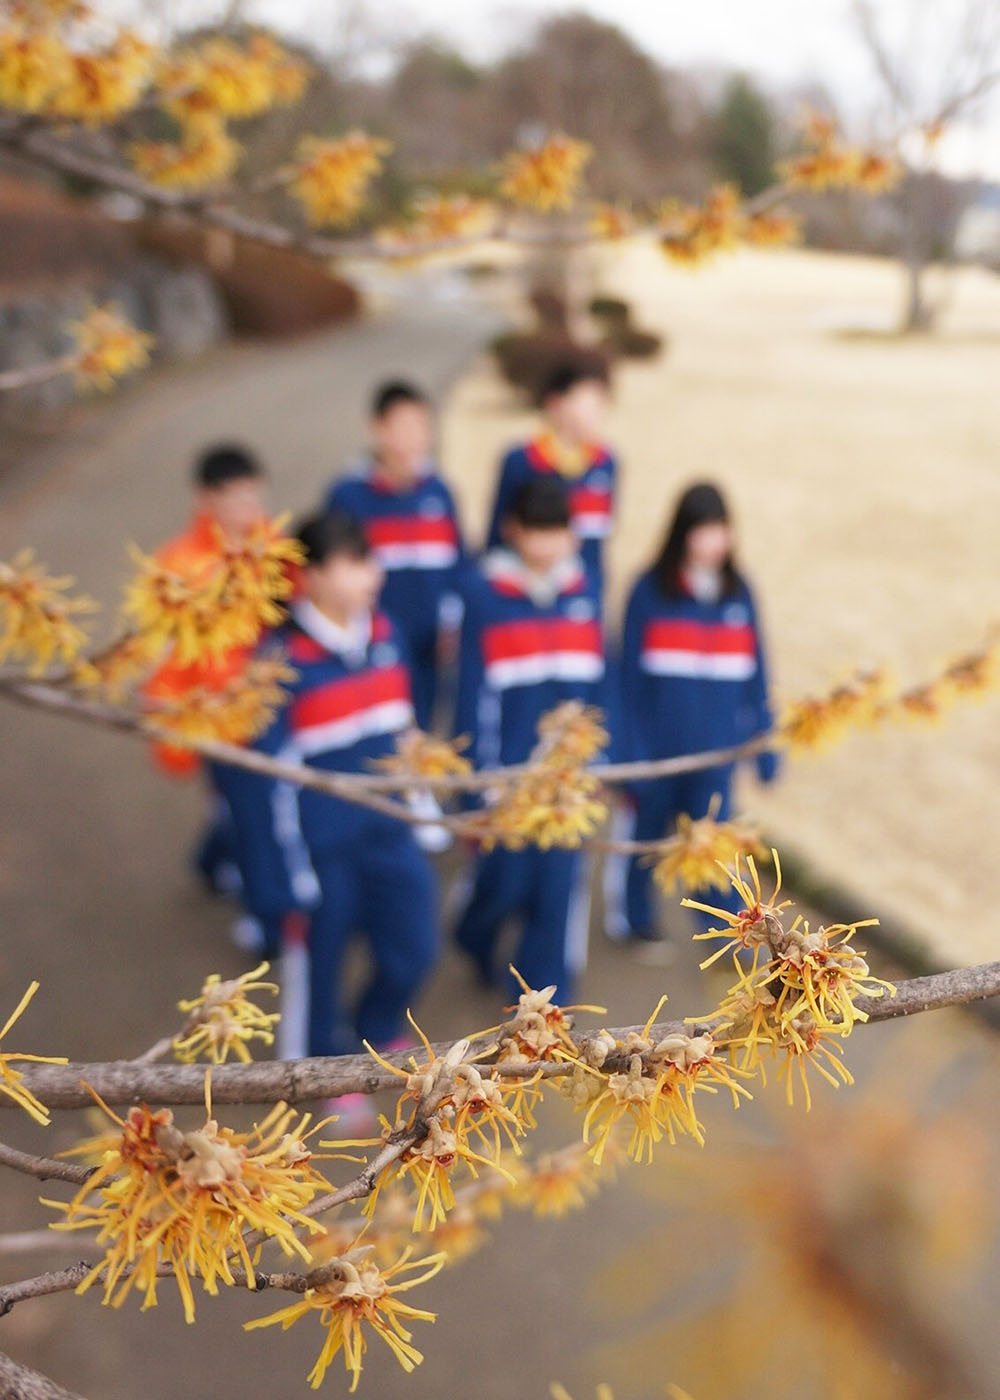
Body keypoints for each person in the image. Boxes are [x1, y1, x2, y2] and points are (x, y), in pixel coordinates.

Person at [252, 510, 440, 1061]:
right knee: (320, 965)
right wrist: (287, 873)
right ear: (309, 577)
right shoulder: (280, 661)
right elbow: (268, 782)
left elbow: (408, 732)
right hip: (322, 851)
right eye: (354, 562)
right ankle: (316, 1068)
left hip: (391, 835)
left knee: (415, 950)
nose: (372, 574)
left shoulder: (387, 633)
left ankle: (376, 1030)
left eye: (370, 559)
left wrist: (424, 815)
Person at [453, 476, 606, 1002]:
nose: (546, 545)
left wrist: (603, 762)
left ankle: (544, 1003)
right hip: (510, 782)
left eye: (557, 532)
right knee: (505, 885)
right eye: (536, 532)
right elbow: (473, 698)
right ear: (513, 530)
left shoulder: (584, 590)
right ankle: (473, 936)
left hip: (567, 783)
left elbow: (599, 685)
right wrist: (481, 787)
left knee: (558, 890)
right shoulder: (484, 595)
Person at [616, 482, 779, 942]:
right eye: (702, 531)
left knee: (714, 849)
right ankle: (633, 919)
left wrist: (765, 746)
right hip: (657, 757)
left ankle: (720, 932)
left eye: (720, 530)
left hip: (715, 759)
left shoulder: (740, 594)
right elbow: (626, 679)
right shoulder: (648, 591)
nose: (712, 542)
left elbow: (757, 673)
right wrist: (630, 753)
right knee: (645, 845)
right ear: (681, 533)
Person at [146, 444, 282, 925]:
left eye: (256, 498)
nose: (251, 511)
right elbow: (166, 660)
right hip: (218, 720)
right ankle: (265, 918)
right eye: (238, 499)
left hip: (269, 705)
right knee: (253, 816)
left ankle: (209, 863)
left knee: (247, 808)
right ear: (206, 498)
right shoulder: (177, 567)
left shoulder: (273, 550)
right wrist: (174, 734)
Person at [325, 380, 464, 730]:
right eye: (401, 426)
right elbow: (331, 569)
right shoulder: (348, 495)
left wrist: (453, 620)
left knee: (427, 726)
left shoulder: (439, 491)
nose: (412, 438)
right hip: (375, 644)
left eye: (421, 426)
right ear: (376, 429)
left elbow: (458, 563)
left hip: (432, 642)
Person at [485, 360, 616, 597]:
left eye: (602, 402)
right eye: (589, 402)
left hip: (582, 596)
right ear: (557, 404)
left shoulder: (606, 464)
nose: (599, 411)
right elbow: (498, 533)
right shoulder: (521, 460)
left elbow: (601, 541)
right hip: (524, 596)